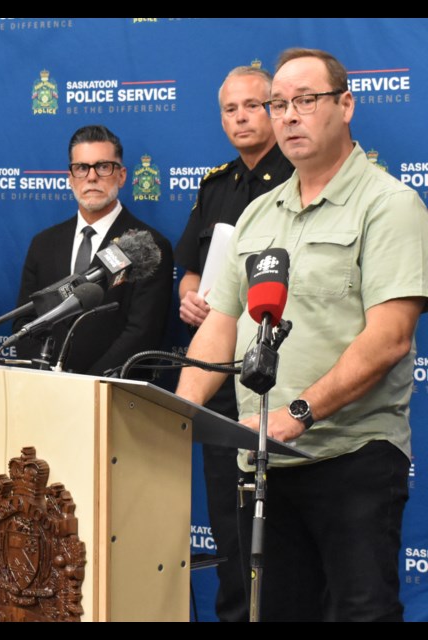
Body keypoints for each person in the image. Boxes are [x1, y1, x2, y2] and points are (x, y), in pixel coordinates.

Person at [175, 48, 428, 621]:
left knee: (360, 612)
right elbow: (220, 323)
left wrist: (298, 413)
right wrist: (179, 414)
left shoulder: (389, 204)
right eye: (279, 104)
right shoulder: (258, 215)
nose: (287, 116)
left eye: (304, 101)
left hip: (351, 457)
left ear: (345, 105)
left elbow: (390, 337)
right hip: (264, 464)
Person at [173, 64, 293, 622]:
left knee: (284, 545)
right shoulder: (216, 184)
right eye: (230, 109)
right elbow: (191, 267)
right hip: (219, 376)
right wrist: (191, 291)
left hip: (280, 377)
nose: (242, 117)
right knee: (227, 528)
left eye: (254, 105)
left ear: (277, 108)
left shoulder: (299, 176)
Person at [15, 124, 173, 376]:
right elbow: (24, 322)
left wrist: (87, 385)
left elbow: (142, 333)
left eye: (102, 166)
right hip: (46, 390)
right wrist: (47, 377)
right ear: (70, 177)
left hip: (113, 393)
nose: (91, 177)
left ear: (121, 175)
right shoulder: (43, 243)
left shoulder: (150, 244)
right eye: (81, 168)